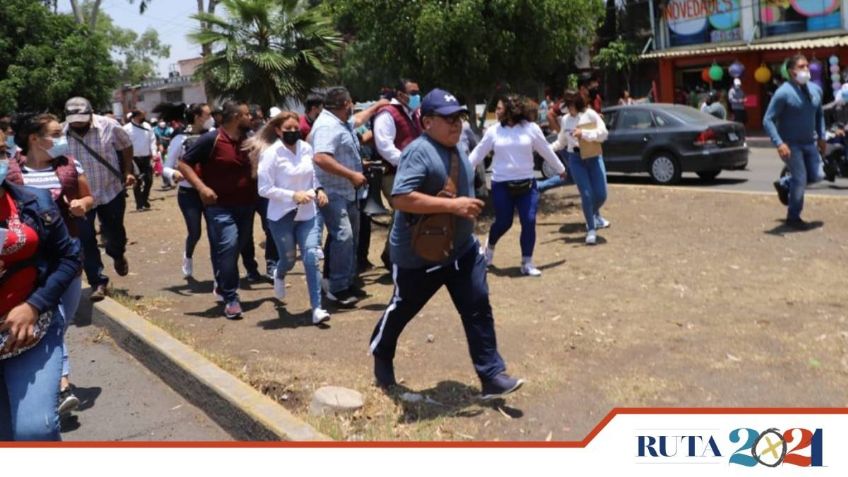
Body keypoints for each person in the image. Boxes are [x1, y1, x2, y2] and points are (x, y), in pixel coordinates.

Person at [368, 88, 524, 400]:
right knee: (402, 309)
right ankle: (382, 354)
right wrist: (452, 208)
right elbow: (400, 198)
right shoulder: (418, 151)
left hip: (462, 251)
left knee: (478, 305)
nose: (456, 124)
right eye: (448, 119)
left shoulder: (459, 143)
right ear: (426, 122)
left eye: (459, 117)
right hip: (418, 256)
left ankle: (491, 375)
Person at [7, 113, 94, 417]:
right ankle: (62, 387)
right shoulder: (14, 172)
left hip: (65, 259)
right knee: (50, 318)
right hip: (29, 264)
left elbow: (87, 197)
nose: (62, 139)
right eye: (55, 133)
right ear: (34, 138)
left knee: (59, 323)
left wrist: (82, 205)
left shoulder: (69, 166)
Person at [0, 146, 83, 440]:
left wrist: (34, 305)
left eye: (0, 151)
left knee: (35, 429)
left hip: (33, 331)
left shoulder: (36, 202)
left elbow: (69, 257)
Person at [469, 95, 565, 276]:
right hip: (501, 185)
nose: (496, 111)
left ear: (511, 110)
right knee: (504, 223)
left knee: (529, 221)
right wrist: (465, 171)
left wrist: (560, 168)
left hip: (527, 185)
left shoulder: (531, 129)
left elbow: (545, 150)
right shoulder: (493, 131)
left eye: (499, 108)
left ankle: (526, 262)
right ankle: (489, 246)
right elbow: (477, 153)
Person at [178, 100, 256, 319]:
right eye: (247, 114)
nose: (251, 118)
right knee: (229, 247)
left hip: (246, 205)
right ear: (235, 117)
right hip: (220, 207)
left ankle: (222, 285)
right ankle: (231, 298)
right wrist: (202, 188)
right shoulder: (211, 139)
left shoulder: (249, 141)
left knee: (233, 249)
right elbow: (183, 164)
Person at [255, 112, 330, 325]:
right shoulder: (271, 154)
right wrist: (292, 195)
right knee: (288, 259)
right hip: (281, 215)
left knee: (311, 256)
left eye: (296, 129)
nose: (293, 133)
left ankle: (317, 308)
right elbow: (264, 189)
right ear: (278, 131)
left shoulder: (306, 148)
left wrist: (319, 189)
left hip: (308, 213)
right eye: (287, 130)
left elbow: (313, 175)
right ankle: (279, 274)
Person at [63, 97, 135, 302]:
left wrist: (128, 170)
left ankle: (117, 254)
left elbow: (126, 145)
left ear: (91, 113)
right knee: (85, 240)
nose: (77, 123)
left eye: (81, 118)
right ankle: (97, 281)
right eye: (73, 119)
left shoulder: (109, 126)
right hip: (80, 198)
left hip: (110, 191)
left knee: (114, 232)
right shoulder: (60, 133)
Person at [311, 87, 366, 306]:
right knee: (343, 236)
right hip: (332, 191)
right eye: (352, 102)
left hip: (348, 191)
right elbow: (321, 158)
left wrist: (380, 106)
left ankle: (345, 280)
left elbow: (359, 119)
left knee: (349, 238)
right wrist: (352, 174)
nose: (353, 107)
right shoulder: (326, 126)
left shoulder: (340, 122)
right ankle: (337, 288)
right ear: (345, 103)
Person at [764, 53, 826, 231]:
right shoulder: (783, 93)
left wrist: (821, 136)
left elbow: (819, 114)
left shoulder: (816, 90)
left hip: (810, 142)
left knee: (816, 176)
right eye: (801, 67)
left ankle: (784, 183)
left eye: (807, 66)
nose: (806, 70)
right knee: (800, 179)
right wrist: (779, 143)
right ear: (792, 72)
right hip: (791, 145)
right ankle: (793, 218)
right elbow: (767, 120)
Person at [373, 78, 422, 269]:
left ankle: (393, 254)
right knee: (403, 213)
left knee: (408, 215)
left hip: (413, 172)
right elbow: (385, 146)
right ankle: (392, 256)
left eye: (418, 92)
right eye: (413, 92)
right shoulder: (387, 114)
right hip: (394, 173)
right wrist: (408, 162)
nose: (417, 96)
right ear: (400, 94)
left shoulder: (414, 113)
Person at [550, 90, 609, 245]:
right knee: (587, 195)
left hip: (593, 157)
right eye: (567, 105)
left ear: (577, 103)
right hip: (575, 159)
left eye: (570, 105)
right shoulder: (565, 120)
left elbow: (603, 134)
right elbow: (561, 141)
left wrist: (584, 134)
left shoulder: (590, 114)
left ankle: (592, 213)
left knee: (601, 194)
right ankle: (591, 228)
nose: (569, 109)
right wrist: (546, 149)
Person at [163, 103, 214, 278]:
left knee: (216, 230)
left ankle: (221, 269)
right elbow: (166, 167)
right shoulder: (180, 139)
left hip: (210, 191)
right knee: (195, 232)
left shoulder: (214, 135)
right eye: (208, 115)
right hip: (188, 194)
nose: (211, 118)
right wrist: (174, 174)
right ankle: (188, 256)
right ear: (198, 117)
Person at [123, 109, 157, 211]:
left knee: (149, 180)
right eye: (142, 116)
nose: (143, 118)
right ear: (135, 116)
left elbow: (152, 140)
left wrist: (154, 153)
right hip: (134, 159)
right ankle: (139, 204)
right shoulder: (126, 129)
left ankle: (144, 198)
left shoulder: (147, 126)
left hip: (146, 157)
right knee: (136, 181)